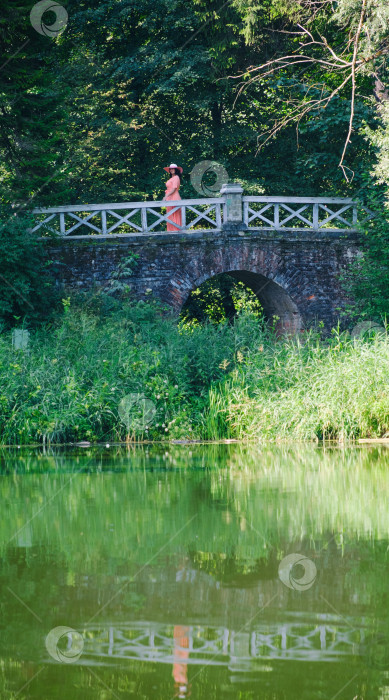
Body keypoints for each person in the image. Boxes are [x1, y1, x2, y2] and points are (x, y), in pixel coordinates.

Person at [163, 163, 183, 232]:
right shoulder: (172, 178)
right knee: (170, 214)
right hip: (170, 197)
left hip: (174, 196)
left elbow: (174, 188)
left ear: (176, 170)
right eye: (170, 169)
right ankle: (171, 230)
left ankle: (176, 230)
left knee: (174, 214)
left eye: (173, 169)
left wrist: (166, 196)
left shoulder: (176, 177)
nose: (171, 170)